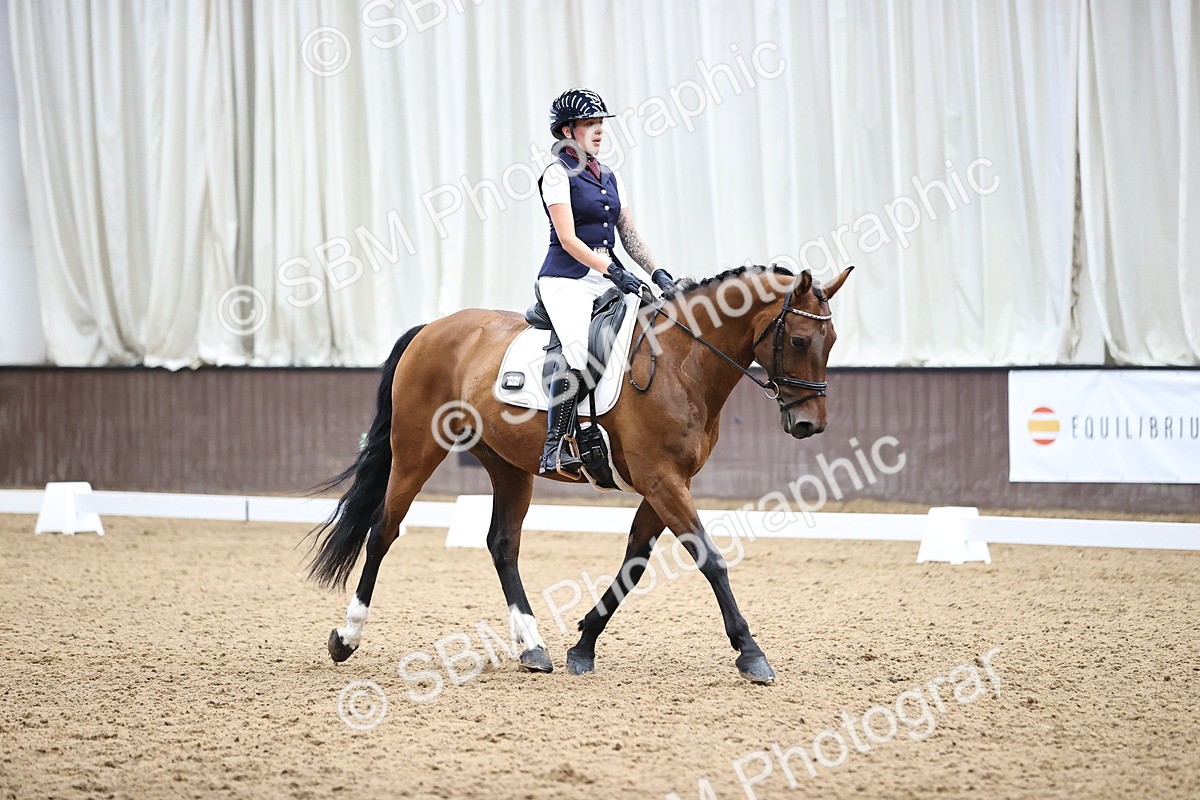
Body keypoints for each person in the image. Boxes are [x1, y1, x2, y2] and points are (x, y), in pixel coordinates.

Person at [536, 87, 674, 478]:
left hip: (605, 274)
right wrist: (612, 271)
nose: (598, 131)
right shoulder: (556, 175)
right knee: (578, 352)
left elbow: (628, 235)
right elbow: (568, 239)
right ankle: (554, 447)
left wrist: (657, 272)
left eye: (600, 124)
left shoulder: (611, 176)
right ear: (567, 131)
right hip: (566, 277)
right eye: (589, 124)